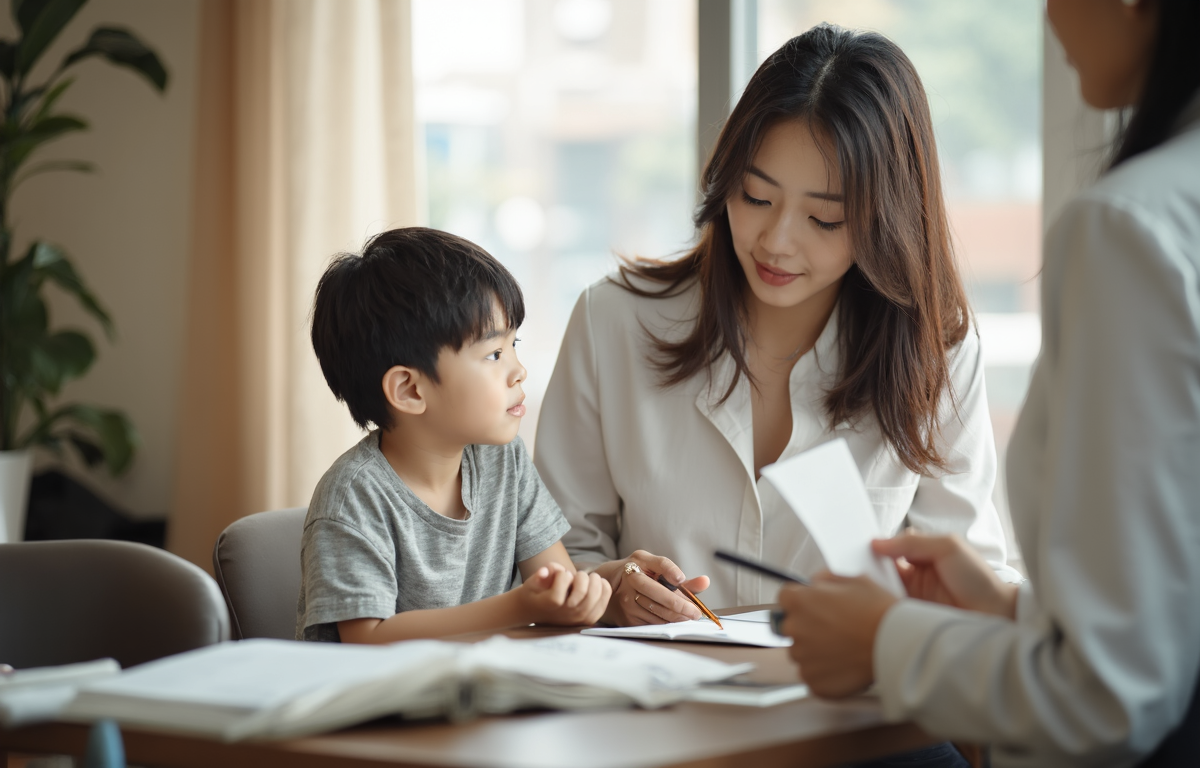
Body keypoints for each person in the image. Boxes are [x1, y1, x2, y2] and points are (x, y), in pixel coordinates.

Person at [776, 0, 1200, 765]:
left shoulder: (1133, 228)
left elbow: (1111, 698)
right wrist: (1011, 611)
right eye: (755, 196)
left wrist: (884, 641)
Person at [534, 24, 1021, 630]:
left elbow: (972, 578)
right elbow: (548, 556)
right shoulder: (612, 320)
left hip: (860, 708)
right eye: (756, 197)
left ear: (887, 221)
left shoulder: (937, 352)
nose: (776, 241)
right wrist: (613, 591)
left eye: (823, 219)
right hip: (657, 705)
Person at [296, 228, 611, 643]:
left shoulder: (503, 459)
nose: (519, 371)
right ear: (410, 390)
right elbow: (367, 639)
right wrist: (520, 607)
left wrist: (597, 589)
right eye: (494, 354)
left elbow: (558, 585)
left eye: (514, 344)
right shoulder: (353, 496)